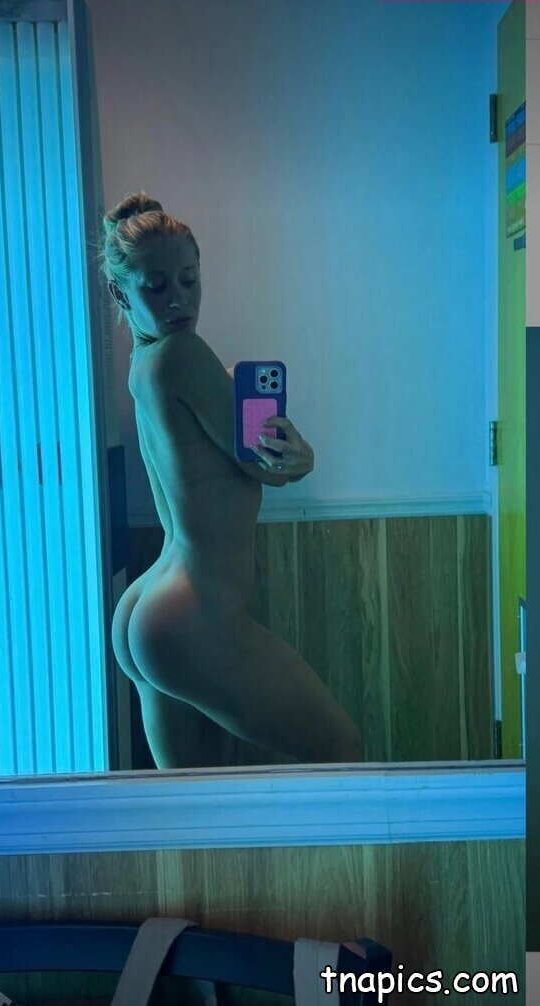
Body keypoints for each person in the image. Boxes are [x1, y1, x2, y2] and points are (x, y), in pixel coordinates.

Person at [101, 192, 362, 769]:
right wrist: (303, 456)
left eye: (189, 280)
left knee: (193, 800)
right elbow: (266, 467)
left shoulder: (145, 366)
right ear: (121, 294)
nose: (178, 299)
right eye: (156, 287)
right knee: (340, 747)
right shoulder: (184, 354)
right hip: (190, 613)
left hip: (150, 607)